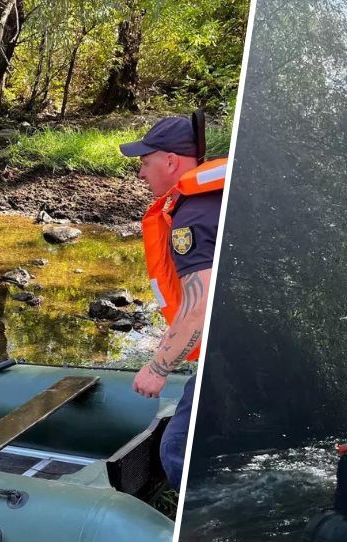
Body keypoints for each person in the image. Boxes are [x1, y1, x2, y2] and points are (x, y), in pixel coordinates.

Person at [119, 115, 225, 489]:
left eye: (145, 163)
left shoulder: (193, 217)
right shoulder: (213, 200)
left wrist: (158, 369)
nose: (140, 174)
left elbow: (200, 305)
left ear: (170, 161)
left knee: (177, 449)